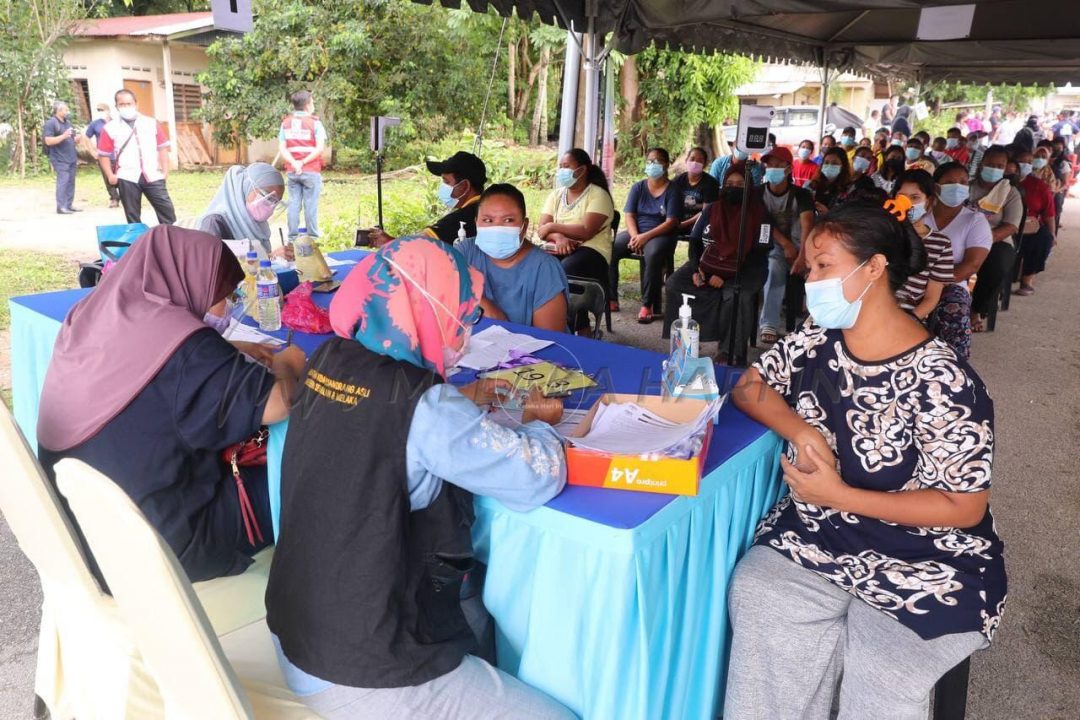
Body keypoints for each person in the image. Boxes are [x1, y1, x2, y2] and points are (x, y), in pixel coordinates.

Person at [264, 235, 574, 720]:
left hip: (300, 628)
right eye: (461, 313)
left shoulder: (329, 359)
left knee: (473, 615)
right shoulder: (425, 406)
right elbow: (535, 477)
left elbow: (388, 417)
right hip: (365, 666)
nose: (463, 329)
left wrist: (461, 397)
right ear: (428, 307)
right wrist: (543, 425)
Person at [725, 200, 1006, 720]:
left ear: (873, 267)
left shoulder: (944, 381)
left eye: (824, 265)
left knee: (881, 678)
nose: (810, 279)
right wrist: (801, 429)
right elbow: (751, 386)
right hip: (818, 536)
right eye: (811, 268)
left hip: (928, 560)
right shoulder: (818, 336)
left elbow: (963, 507)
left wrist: (841, 496)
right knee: (761, 601)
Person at [37, 225, 306, 582]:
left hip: (89, 527)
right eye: (224, 294)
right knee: (307, 471)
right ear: (191, 283)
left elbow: (149, 369)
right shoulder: (187, 348)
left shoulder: (91, 314)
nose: (227, 306)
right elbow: (279, 404)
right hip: (165, 543)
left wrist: (225, 350)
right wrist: (290, 362)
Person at [661, 169, 771, 366]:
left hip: (747, 270)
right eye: (729, 184)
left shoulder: (760, 214)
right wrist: (696, 270)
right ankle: (689, 339)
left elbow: (760, 251)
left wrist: (727, 276)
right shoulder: (712, 209)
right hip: (708, 264)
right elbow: (695, 241)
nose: (733, 189)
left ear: (749, 189)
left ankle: (729, 350)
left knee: (735, 295)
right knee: (674, 283)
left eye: (740, 185)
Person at [457, 184, 568, 332]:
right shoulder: (466, 251)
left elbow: (549, 340)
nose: (497, 228)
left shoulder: (544, 268)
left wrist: (497, 320)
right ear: (477, 222)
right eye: (488, 220)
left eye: (508, 220)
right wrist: (483, 303)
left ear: (524, 225)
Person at [609, 147, 683, 323]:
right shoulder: (638, 187)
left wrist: (645, 237)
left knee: (653, 253)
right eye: (649, 161)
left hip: (662, 234)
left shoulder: (673, 190)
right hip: (637, 231)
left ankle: (647, 304)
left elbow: (672, 222)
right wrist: (635, 236)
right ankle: (611, 297)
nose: (652, 165)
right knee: (612, 248)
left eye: (656, 161)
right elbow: (629, 215)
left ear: (666, 164)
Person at [926, 164, 992, 359]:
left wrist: (931, 285)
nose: (957, 186)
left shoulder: (975, 220)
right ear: (936, 187)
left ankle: (955, 368)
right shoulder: (921, 215)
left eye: (962, 182)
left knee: (953, 311)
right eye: (949, 182)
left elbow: (971, 265)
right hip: (912, 280)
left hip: (951, 284)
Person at [538, 148, 615, 308]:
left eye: (567, 166)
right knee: (536, 265)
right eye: (560, 166)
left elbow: (586, 231)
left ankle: (579, 325)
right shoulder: (556, 195)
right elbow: (541, 230)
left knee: (566, 270)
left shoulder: (598, 195)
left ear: (583, 169)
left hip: (592, 251)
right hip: (559, 247)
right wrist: (559, 238)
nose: (562, 171)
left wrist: (552, 227)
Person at [755, 146, 815, 346]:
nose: (771, 169)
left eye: (777, 165)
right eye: (769, 165)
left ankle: (816, 325)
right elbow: (763, 222)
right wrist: (786, 245)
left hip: (804, 245)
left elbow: (808, 225)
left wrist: (803, 256)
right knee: (774, 268)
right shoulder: (758, 193)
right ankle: (769, 323)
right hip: (773, 247)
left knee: (819, 274)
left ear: (788, 169)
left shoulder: (801, 194)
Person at [370, 151, 487, 247]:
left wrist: (388, 242)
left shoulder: (461, 219)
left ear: (464, 186)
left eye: (446, 182)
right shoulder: (488, 209)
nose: (443, 187)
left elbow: (419, 245)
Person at [96, 88, 177, 225]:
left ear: (136, 104)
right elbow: (103, 155)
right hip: (127, 177)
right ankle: (138, 245)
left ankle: (171, 242)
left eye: (129, 103)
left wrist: (165, 171)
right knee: (133, 217)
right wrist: (110, 175)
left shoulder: (151, 123)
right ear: (117, 107)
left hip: (152, 175)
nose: (126, 107)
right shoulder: (110, 128)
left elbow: (162, 148)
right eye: (122, 105)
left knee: (167, 212)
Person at [968, 145, 1022, 333]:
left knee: (998, 264)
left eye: (1000, 165)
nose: (995, 168)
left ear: (1006, 168)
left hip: (996, 239)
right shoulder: (967, 186)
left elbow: (1011, 225)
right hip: (963, 235)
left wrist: (985, 239)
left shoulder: (1010, 192)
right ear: (982, 163)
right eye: (991, 164)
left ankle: (975, 310)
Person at [892, 171, 954, 322]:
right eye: (902, 197)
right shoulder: (883, 233)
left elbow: (931, 299)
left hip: (909, 318)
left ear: (929, 201)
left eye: (915, 198)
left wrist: (908, 321)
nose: (907, 204)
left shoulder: (941, 245)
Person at [197, 163, 286, 256]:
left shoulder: (257, 225)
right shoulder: (214, 223)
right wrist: (270, 258)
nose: (270, 206)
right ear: (246, 187)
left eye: (276, 202)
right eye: (267, 197)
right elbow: (208, 264)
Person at [278, 89, 327, 243]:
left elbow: (282, 149)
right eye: (312, 102)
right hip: (310, 170)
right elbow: (319, 148)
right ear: (307, 105)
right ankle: (312, 236)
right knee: (310, 204)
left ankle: (292, 237)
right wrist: (303, 162)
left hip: (293, 172)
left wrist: (294, 163)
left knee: (293, 203)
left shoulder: (285, 123)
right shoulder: (315, 123)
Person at [1013, 148, 1056, 296]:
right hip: (1005, 224)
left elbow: (1049, 213)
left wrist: (1052, 234)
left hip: (1030, 225)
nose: (1025, 165)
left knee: (1044, 239)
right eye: (1022, 162)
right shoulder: (1005, 182)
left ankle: (1027, 279)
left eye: (1029, 162)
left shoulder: (1039, 185)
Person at [671, 147, 720, 232]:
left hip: (699, 223)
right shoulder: (679, 180)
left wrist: (683, 224)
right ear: (686, 160)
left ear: (704, 165)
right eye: (692, 159)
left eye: (700, 161)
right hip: (677, 220)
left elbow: (706, 212)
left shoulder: (710, 183)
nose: (695, 163)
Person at [43, 101, 79, 215]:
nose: (67, 112)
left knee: (71, 181)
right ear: (59, 111)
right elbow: (48, 141)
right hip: (59, 158)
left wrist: (76, 139)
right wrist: (63, 136)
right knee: (63, 181)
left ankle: (68, 205)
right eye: (65, 110)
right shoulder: (51, 123)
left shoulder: (67, 122)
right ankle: (61, 207)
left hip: (71, 156)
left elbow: (71, 138)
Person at [85, 102, 120, 208]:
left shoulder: (117, 123)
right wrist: (92, 152)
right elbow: (86, 137)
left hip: (117, 155)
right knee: (107, 177)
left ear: (108, 111)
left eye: (102, 110)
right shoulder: (95, 124)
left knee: (121, 177)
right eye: (98, 110)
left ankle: (126, 196)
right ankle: (114, 198)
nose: (100, 112)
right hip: (103, 156)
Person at [811, 147, 852, 213]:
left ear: (843, 166)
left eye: (834, 163)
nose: (829, 166)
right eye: (826, 163)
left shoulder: (849, 189)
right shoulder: (813, 184)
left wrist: (828, 213)